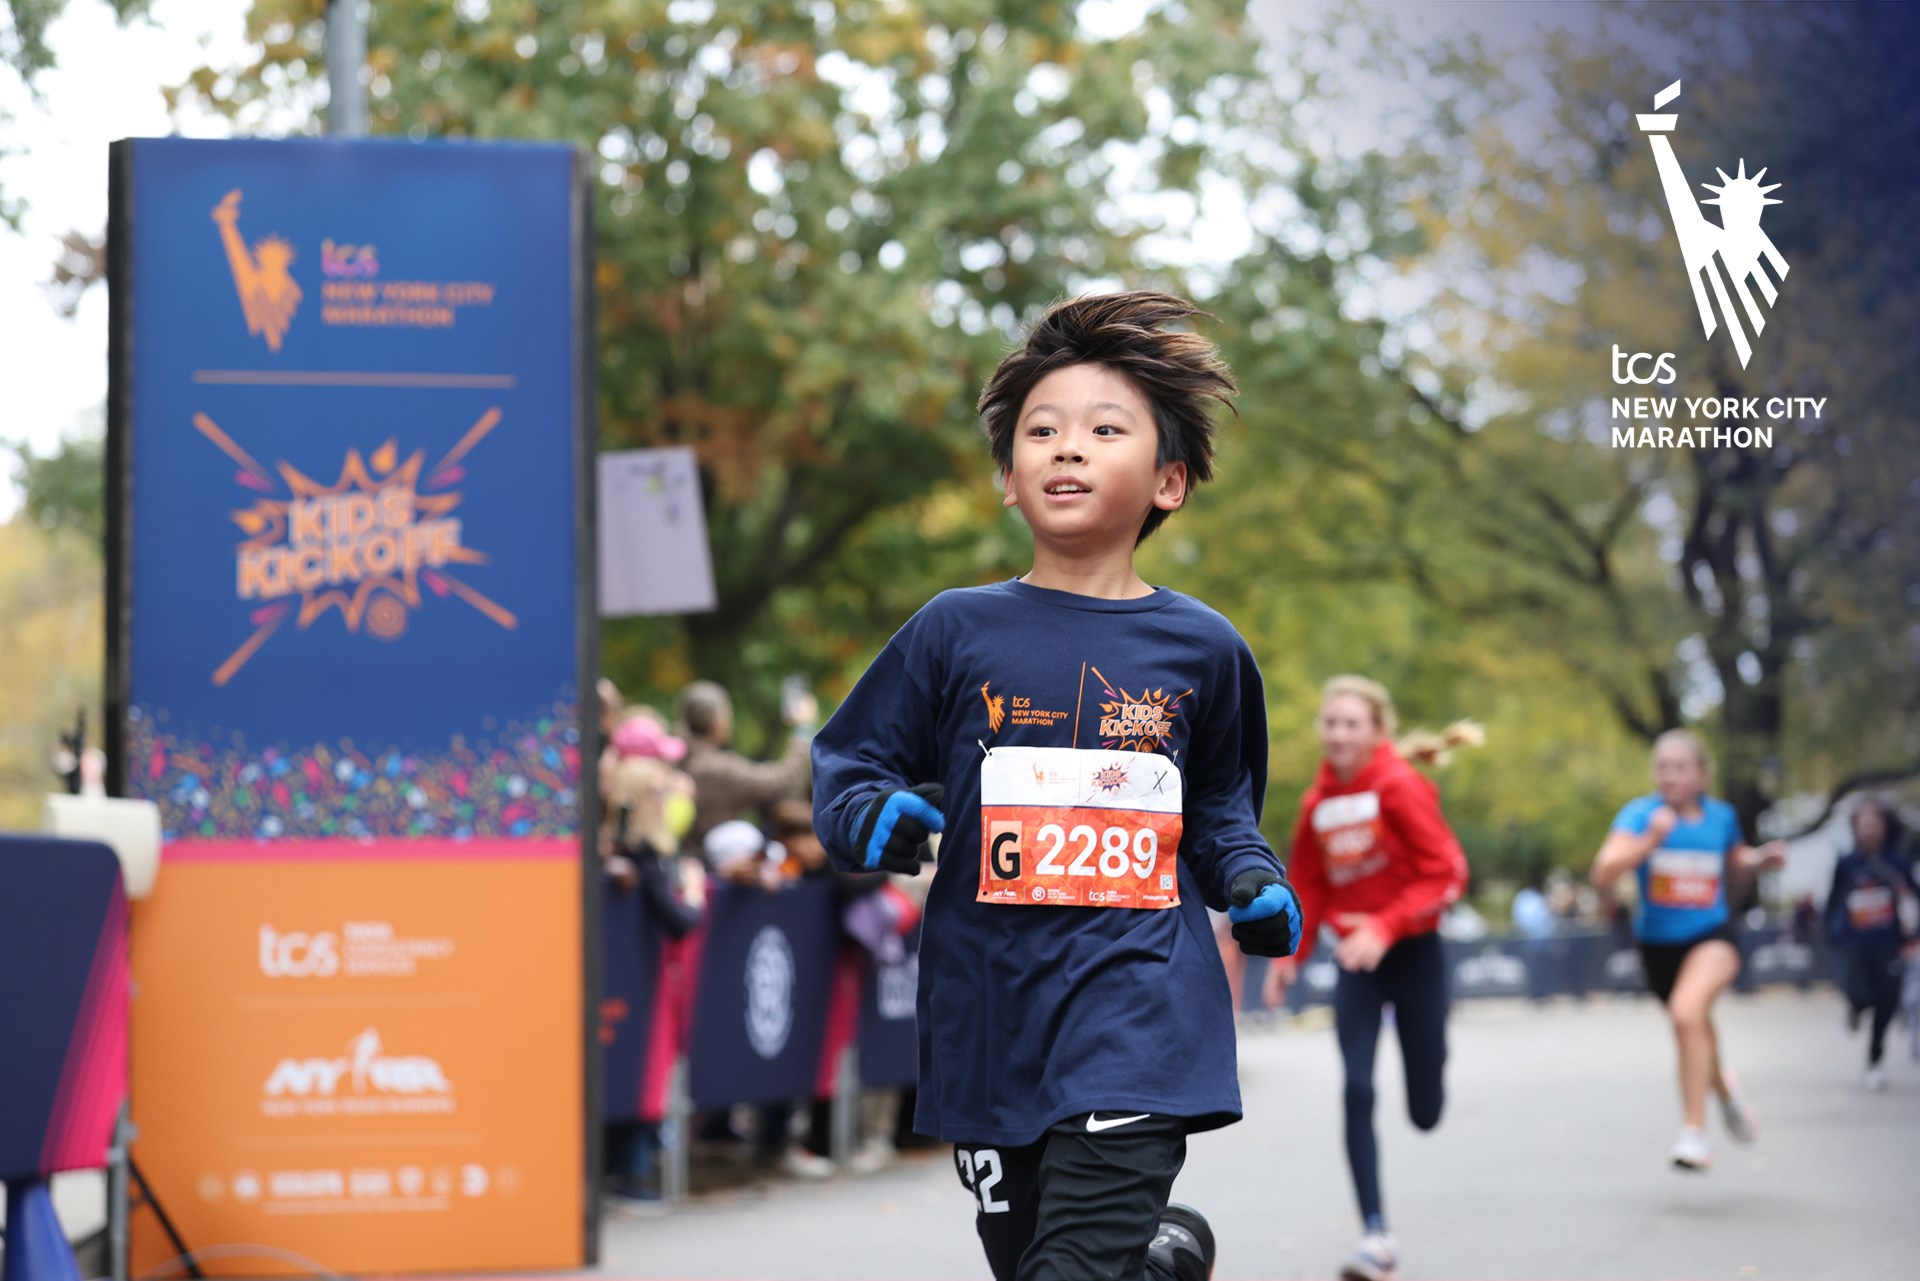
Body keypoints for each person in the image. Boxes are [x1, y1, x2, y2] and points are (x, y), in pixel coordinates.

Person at [812, 291, 1302, 1281]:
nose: (1067, 447)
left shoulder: (1205, 649)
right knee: (1036, 1259)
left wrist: (1251, 878)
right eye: (1041, 432)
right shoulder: (952, 630)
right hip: (990, 1019)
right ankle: (1160, 1263)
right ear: (1008, 479)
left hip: (1139, 1010)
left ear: (1169, 481)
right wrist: (871, 817)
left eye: (1104, 430)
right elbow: (850, 762)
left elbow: (1217, 804)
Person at [1259, 676, 1475, 1281]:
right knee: (1356, 1087)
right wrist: (1289, 956)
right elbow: (1311, 886)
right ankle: (1375, 1235)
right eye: (1330, 722)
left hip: (1414, 956)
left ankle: (1434, 1061)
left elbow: (1447, 873)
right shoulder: (1317, 804)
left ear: (1378, 731)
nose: (1338, 734)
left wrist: (1385, 924)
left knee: (1425, 1112)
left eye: (1352, 723)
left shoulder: (1399, 785)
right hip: (1356, 964)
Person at [1590, 728, 1785, 1171]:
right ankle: (1726, 1091)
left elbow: (1736, 861)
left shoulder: (1721, 817)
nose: (1670, 777)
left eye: (1680, 768)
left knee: (1686, 1013)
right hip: (1658, 947)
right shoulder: (1641, 815)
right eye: (1662, 768)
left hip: (1712, 936)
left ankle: (1693, 1135)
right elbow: (1602, 872)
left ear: (1701, 774)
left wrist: (1761, 860)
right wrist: (1649, 841)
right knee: (1691, 1024)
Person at [1824, 797, 1918, 1090]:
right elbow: (1833, 902)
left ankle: (1874, 1060)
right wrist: (1829, 934)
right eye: (1863, 824)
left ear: (1884, 827)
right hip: (1854, 943)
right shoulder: (1847, 864)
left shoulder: (1897, 863)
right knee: (1859, 993)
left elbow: (1913, 899)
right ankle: (1855, 1008)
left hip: (1888, 943)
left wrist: (1912, 936)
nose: (1868, 829)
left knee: (1886, 1003)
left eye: (1873, 823)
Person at [678, 679, 815, 850]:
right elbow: (782, 781)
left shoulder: (677, 759)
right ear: (718, 723)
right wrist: (803, 729)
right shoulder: (716, 768)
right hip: (717, 862)